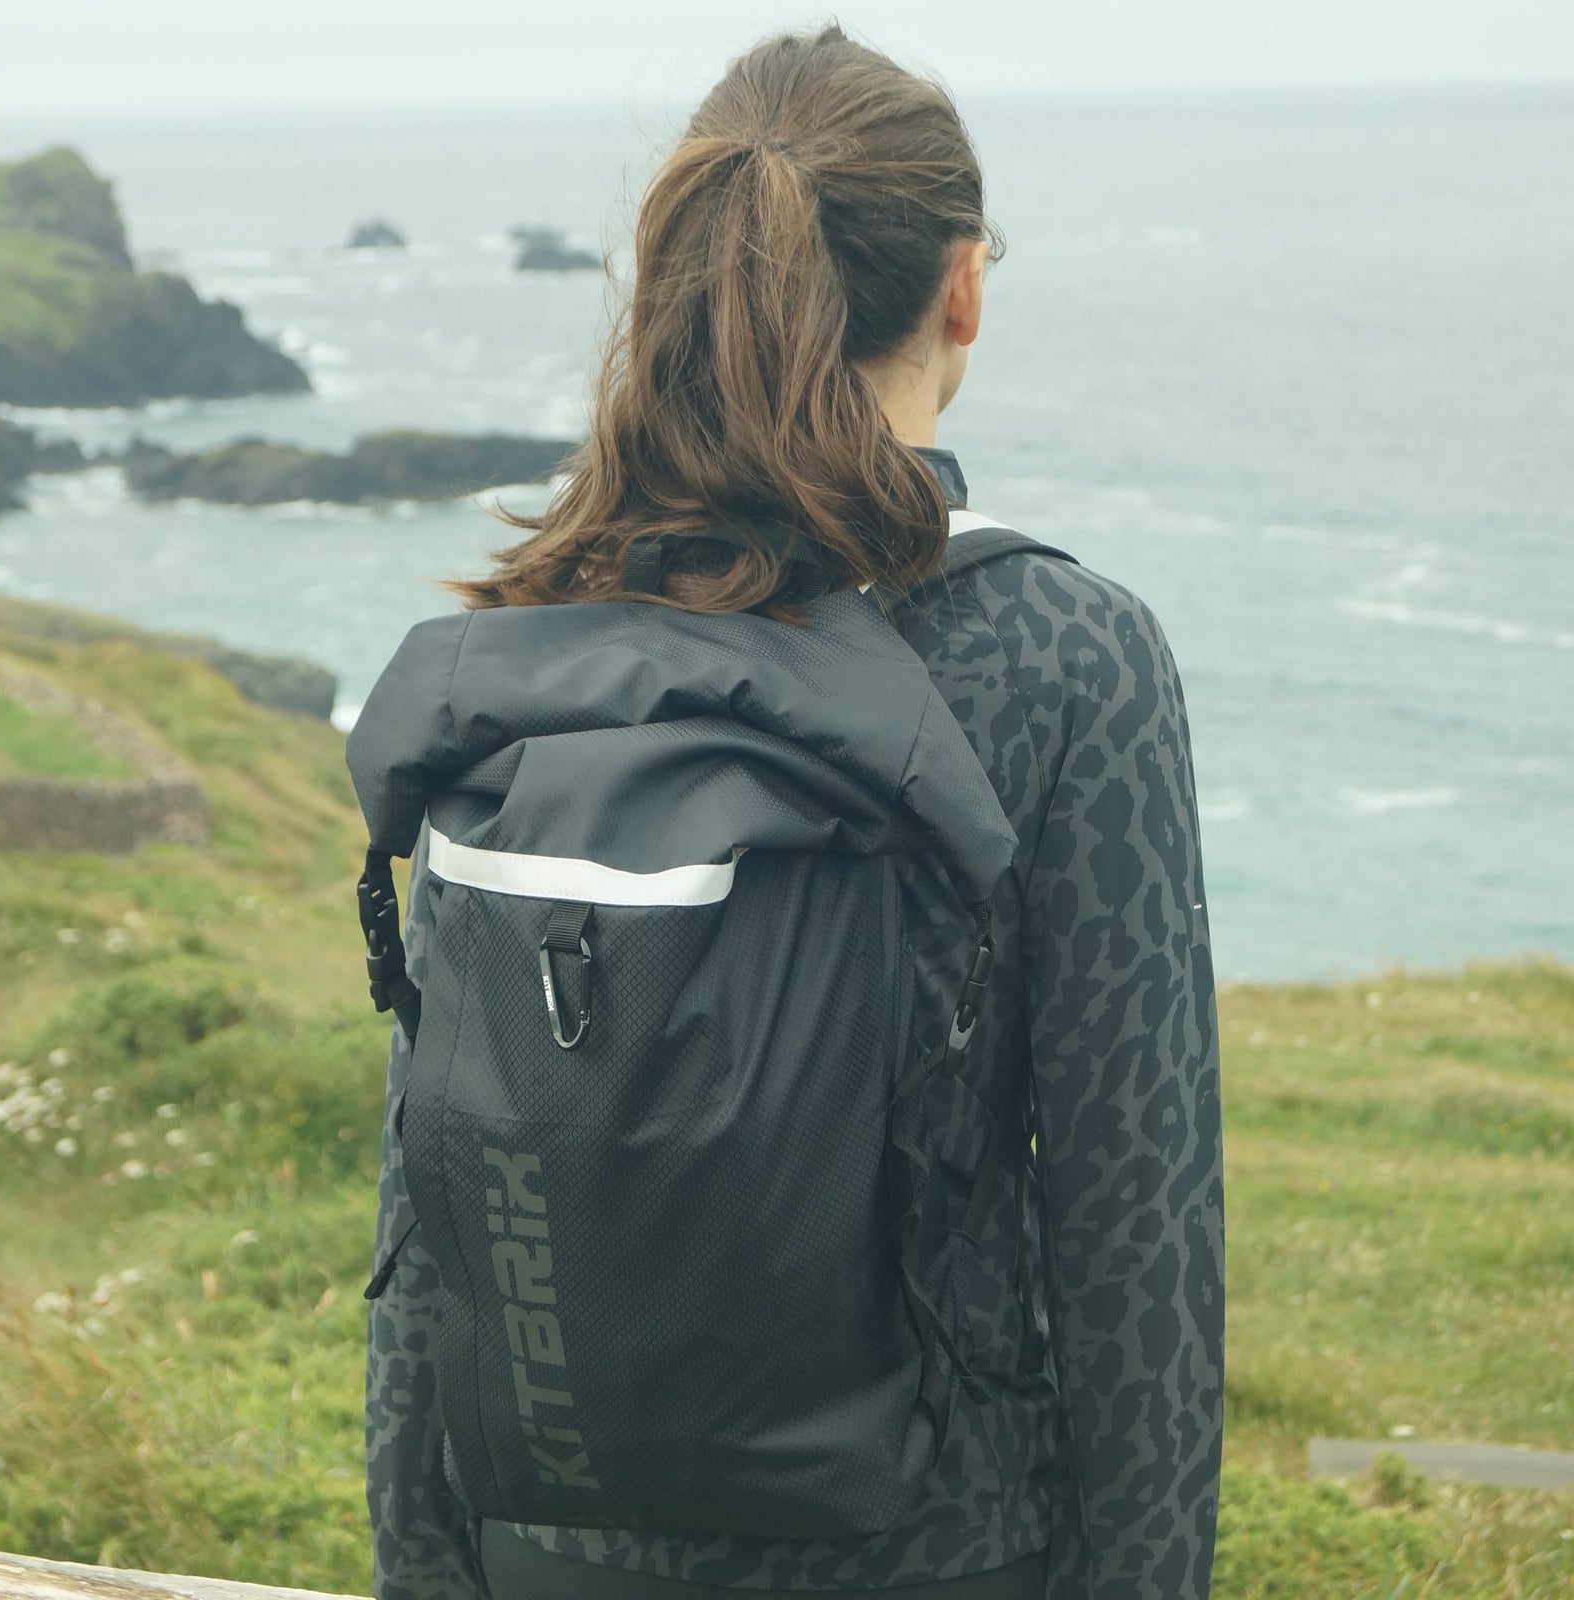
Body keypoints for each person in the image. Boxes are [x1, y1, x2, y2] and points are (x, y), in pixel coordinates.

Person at [359, 24, 1223, 1600]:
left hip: (548, 1548)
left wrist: (433, 1567)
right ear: (963, 286)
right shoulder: (1062, 651)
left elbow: (438, 1200)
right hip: (931, 1549)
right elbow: (1137, 1234)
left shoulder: (537, 632)